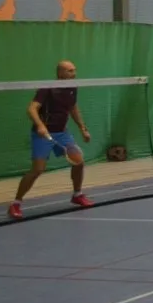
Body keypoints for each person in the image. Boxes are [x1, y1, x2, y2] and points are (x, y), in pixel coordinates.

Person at [8, 60, 93, 219]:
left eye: (74, 70)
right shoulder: (47, 88)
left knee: (79, 162)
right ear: (60, 73)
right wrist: (40, 126)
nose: (74, 74)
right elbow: (32, 108)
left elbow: (73, 108)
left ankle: (77, 195)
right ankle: (16, 203)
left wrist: (83, 128)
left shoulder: (72, 88)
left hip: (62, 133)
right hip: (43, 134)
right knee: (37, 170)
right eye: (69, 71)